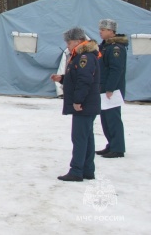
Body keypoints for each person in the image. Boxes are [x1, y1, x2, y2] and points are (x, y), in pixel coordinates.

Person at [50, 27, 101, 182]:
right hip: (88, 104)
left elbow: (84, 81)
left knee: (79, 138)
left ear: (79, 41)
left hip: (84, 105)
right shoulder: (80, 56)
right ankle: (87, 170)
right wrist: (63, 79)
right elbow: (77, 78)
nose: (67, 45)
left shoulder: (84, 57)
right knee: (87, 137)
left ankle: (76, 170)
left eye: (69, 42)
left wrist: (78, 101)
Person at [96, 19, 127, 159]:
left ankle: (118, 148)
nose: (100, 32)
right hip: (104, 87)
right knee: (105, 118)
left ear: (111, 31)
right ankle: (111, 144)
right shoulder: (105, 47)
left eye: (103, 29)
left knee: (113, 118)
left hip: (112, 89)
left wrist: (110, 88)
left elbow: (116, 70)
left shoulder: (116, 48)